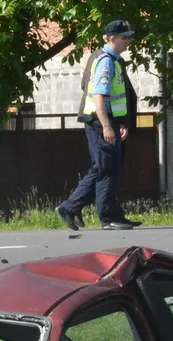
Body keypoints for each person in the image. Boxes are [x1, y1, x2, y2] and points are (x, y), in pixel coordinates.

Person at [56, 20, 142, 231]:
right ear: (112, 38)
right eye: (124, 38)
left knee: (108, 168)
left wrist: (121, 123)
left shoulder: (114, 60)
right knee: (105, 169)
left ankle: (104, 213)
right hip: (100, 121)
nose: (128, 42)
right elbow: (99, 97)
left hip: (111, 121)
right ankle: (103, 216)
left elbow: (117, 97)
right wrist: (106, 126)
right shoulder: (105, 62)